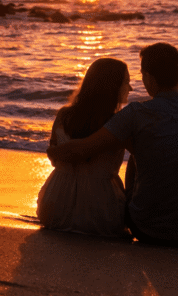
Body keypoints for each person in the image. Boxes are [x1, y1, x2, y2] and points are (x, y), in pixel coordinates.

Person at [47, 42, 178, 251]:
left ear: (146, 76)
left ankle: (143, 207)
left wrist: (55, 151)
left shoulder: (134, 113)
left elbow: (85, 147)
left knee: (140, 148)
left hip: (143, 229)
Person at [37, 57, 131, 237]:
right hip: (100, 213)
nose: (130, 88)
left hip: (54, 207)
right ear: (113, 86)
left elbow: (53, 156)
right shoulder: (119, 123)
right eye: (127, 82)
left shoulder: (64, 115)